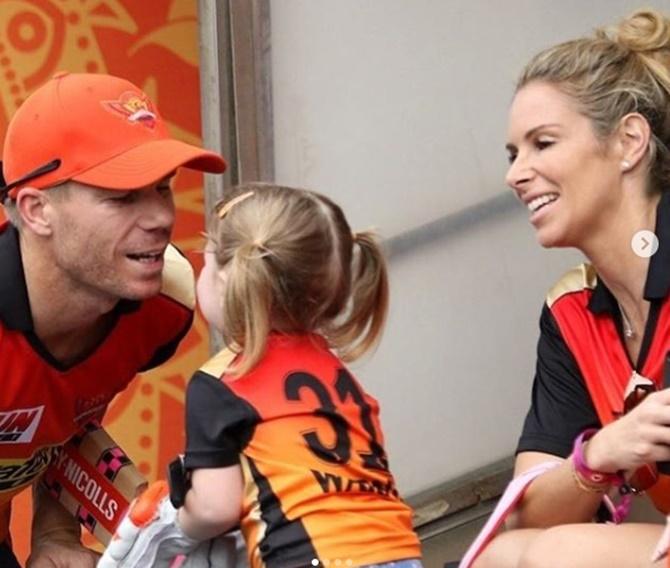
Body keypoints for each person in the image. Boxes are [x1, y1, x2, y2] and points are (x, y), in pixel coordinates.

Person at [100, 183, 423, 568]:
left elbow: (216, 508)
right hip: (397, 552)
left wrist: (173, 522)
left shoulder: (222, 382)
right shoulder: (337, 372)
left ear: (229, 281)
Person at [463, 8, 670, 568]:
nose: (515, 173)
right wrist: (599, 454)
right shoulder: (571, 309)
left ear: (629, 142)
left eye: (542, 143)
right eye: (513, 154)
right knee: (502, 557)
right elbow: (527, 511)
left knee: (562, 554)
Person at [0, 71, 226, 567]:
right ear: (36, 211)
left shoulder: (166, 304)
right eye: (122, 197)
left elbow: (61, 419)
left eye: (163, 188)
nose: (161, 218)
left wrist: (52, 534)